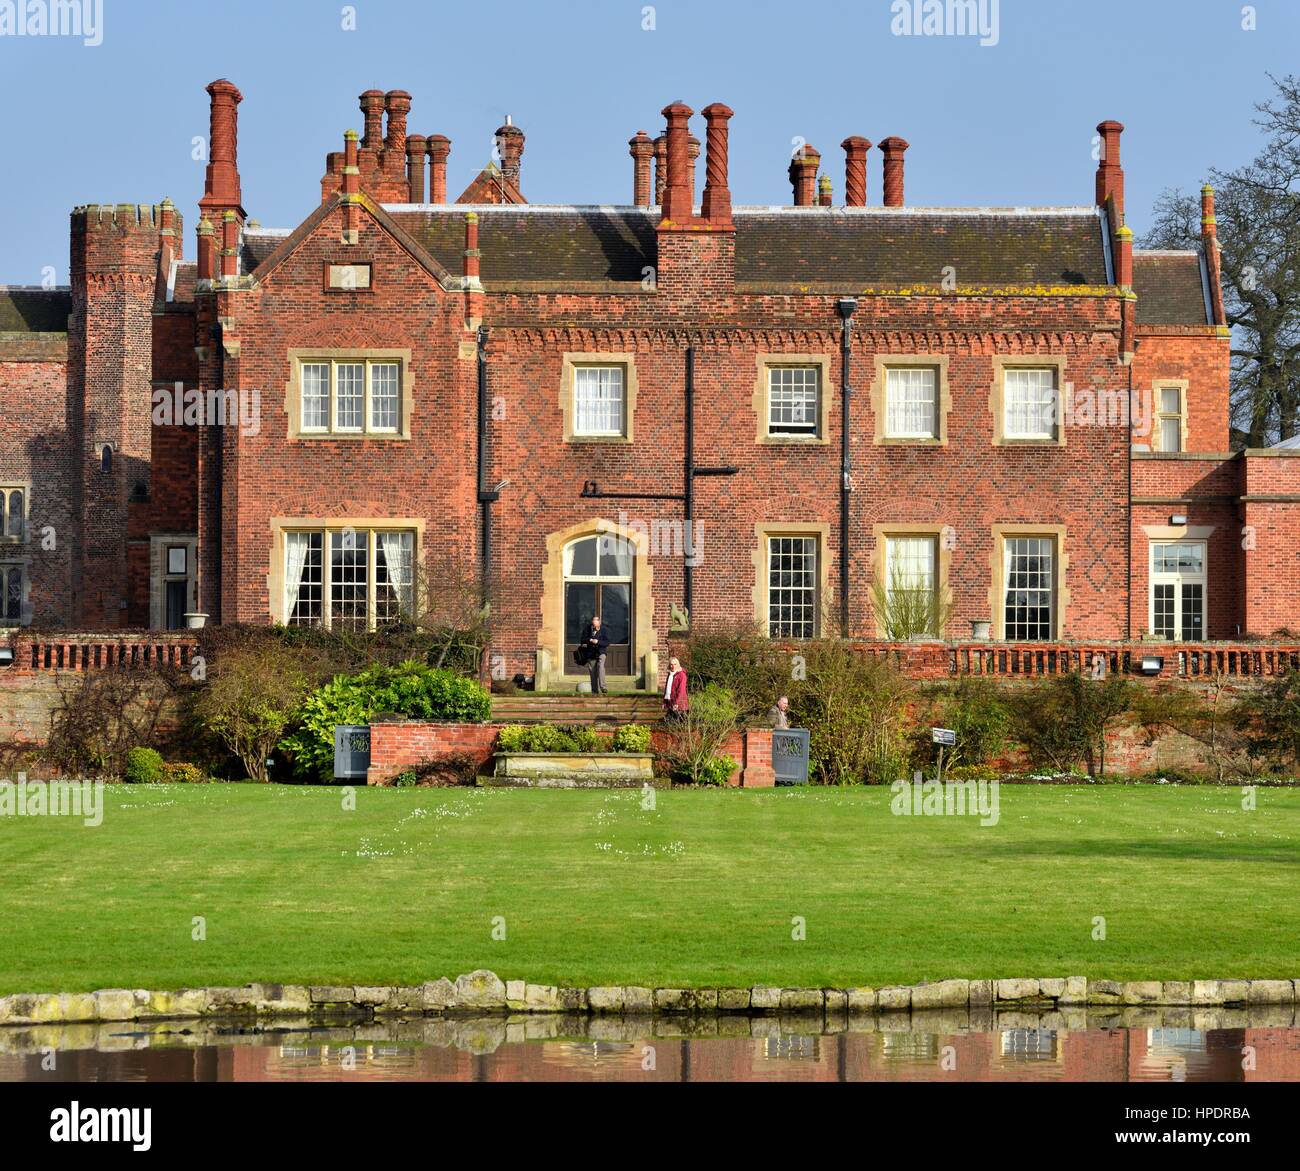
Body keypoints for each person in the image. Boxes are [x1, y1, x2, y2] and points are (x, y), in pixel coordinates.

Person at [579, 614, 610, 695]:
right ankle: (594, 691)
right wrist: (590, 640)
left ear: (599, 623)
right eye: (593, 624)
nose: (594, 626)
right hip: (590, 653)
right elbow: (582, 639)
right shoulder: (587, 629)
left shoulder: (604, 630)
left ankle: (603, 687)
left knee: (600, 667)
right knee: (592, 672)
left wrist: (598, 642)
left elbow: (607, 642)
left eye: (596, 624)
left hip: (601, 652)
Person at [663, 655, 689, 721]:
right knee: (668, 722)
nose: (673, 666)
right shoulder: (670, 674)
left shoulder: (682, 675)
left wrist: (677, 702)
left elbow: (681, 690)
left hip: (679, 703)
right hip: (670, 701)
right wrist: (664, 702)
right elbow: (667, 689)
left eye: (675, 664)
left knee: (679, 723)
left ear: (678, 664)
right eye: (671, 664)